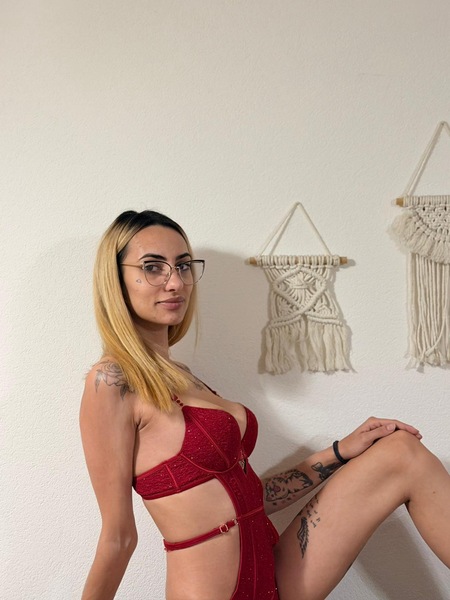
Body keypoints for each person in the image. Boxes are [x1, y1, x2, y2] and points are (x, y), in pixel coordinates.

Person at [80, 209, 450, 600]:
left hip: (275, 578)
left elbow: (247, 499)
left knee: (401, 453)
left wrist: (340, 451)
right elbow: (118, 538)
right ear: (115, 279)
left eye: (184, 266)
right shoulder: (112, 382)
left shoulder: (185, 377)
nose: (175, 282)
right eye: (153, 267)